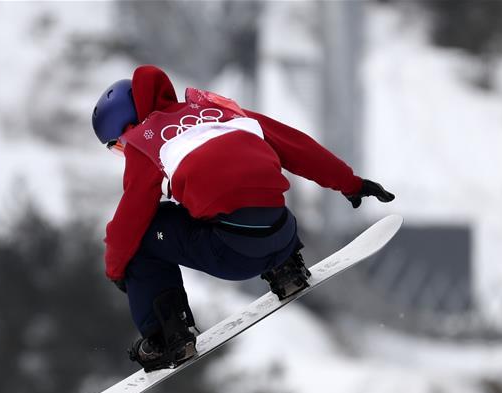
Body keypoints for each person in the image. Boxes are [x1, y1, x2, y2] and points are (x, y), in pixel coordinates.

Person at [92, 65, 395, 372]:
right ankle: (287, 269)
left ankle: (168, 338)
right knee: (244, 192)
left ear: (129, 127)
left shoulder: (145, 142)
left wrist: (117, 268)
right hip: (284, 231)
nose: (124, 152)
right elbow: (295, 145)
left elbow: (130, 220)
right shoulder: (217, 109)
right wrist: (350, 183)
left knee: (143, 233)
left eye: (118, 145)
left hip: (233, 255)